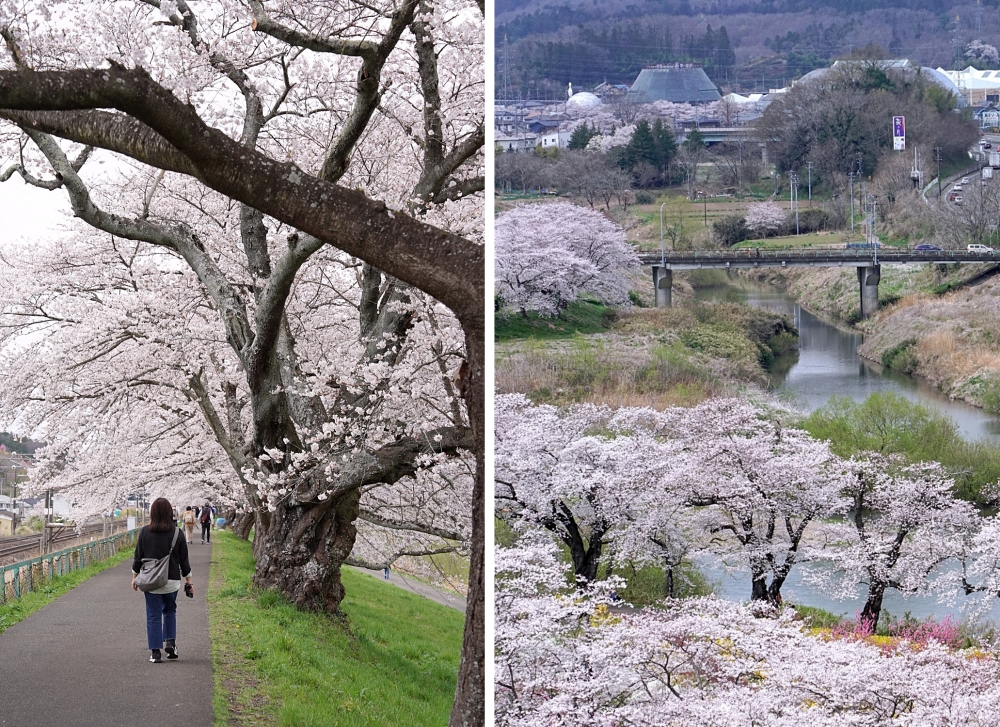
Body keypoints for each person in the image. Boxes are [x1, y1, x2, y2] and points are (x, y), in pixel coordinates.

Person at [132, 497, 193, 664]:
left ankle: (155, 652)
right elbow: (184, 561)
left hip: (151, 581)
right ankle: (171, 645)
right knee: (169, 611)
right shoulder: (177, 533)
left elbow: (138, 557)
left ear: (152, 513)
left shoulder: (144, 532)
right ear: (169, 513)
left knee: (153, 615)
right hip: (171, 581)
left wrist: (134, 577)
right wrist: (189, 582)